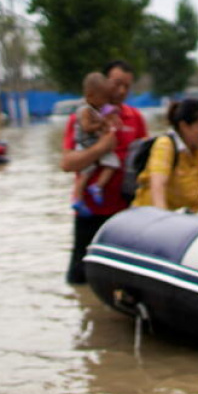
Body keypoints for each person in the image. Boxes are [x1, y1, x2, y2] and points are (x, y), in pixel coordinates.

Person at [61, 60, 149, 285]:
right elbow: (67, 163)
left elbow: (144, 161)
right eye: (116, 84)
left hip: (125, 212)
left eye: (127, 86)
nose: (121, 91)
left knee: (120, 280)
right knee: (79, 278)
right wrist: (101, 148)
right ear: (102, 84)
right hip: (89, 211)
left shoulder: (135, 118)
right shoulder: (81, 118)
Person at [133, 98, 198, 211]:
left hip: (187, 215)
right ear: (184, 126)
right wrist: (164, 218)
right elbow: (158, 186)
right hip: (152, 216)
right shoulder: (165, 145)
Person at [71, 72, 122, 216]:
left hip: (91, 143)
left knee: (107, 165)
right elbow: (87, 127)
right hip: (85, 145)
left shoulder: (96, 108)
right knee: (87, 173)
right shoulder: (85, 110)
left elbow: (109, 114)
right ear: (90, 95)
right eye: (103, 98)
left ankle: (96, 187)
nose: (105, 101)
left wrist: (109, 119)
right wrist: (100, 123)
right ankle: (79, 198)